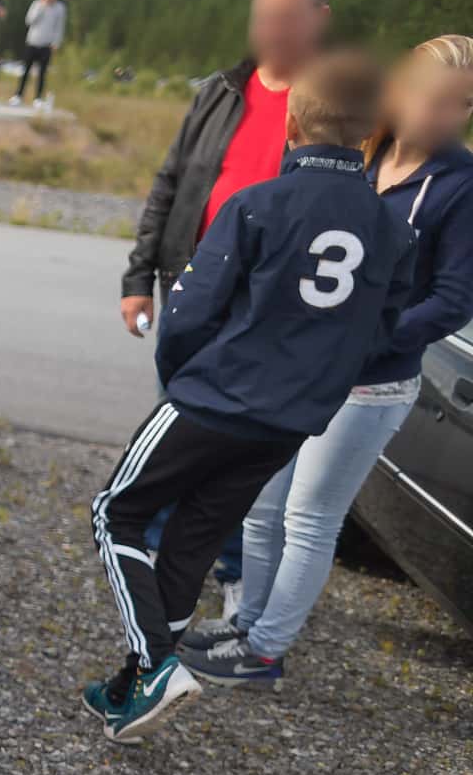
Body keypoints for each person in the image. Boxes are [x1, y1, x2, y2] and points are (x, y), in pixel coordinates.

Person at [82, 51, 414, 743]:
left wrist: (182, 381)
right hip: (288, 421)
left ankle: (154, 664)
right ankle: (132, 687)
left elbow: (189, 311)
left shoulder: (259, 204)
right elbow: (385, 331)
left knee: (116, 512)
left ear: (292, 122)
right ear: (369, 133)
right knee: (191, 544)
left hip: (213, 400)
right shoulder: (389, 228)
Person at [180, 35, 473, 688]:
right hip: (306, 373)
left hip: (370, 385)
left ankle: (265, 651)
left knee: (311, 516)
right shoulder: (362, 156)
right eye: (435, 98)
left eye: (464, 106)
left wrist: (367, 340)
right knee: (262, 504)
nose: (447, 116)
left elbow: (453, 299)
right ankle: (245, 622)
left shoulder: (461, 186)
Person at [120, 0, 334, 612]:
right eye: (263, 17)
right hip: (193, 289)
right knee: (176, 428)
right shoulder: (222, 90)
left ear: (319, 20)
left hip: (269, 308)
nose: (269, 31)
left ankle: (233, 571)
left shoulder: (333, 104)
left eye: (285, 19)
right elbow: (170, 181)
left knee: (244, 453)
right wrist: (138, 277)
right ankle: (154, 561)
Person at [14, 0, 64, 104]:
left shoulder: (60, 8)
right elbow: (30, 20)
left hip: (47, 44)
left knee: (42, 73)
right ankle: (18, 96)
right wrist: (42, 7)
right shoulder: (37, 4)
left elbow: (59, 26)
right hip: (32, 42)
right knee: (25, 71)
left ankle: (38, 98)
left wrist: (56, 42)